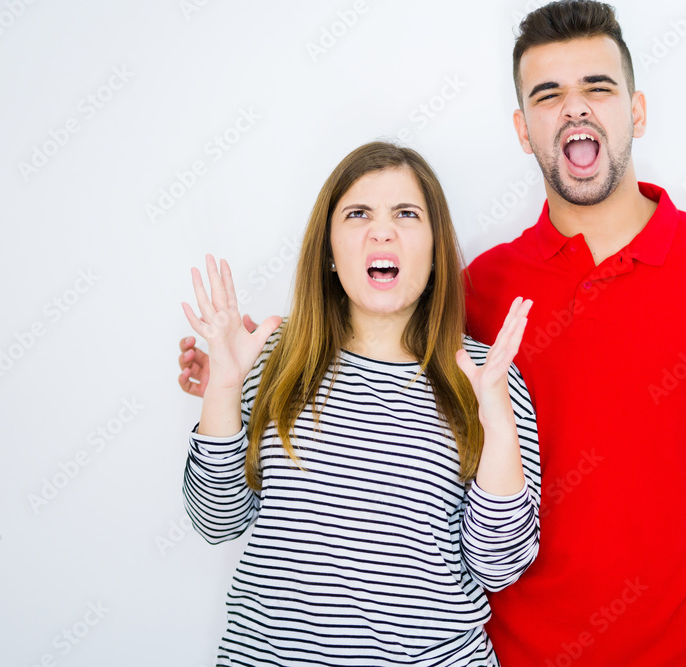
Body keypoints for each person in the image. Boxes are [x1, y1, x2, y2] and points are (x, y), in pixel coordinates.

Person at [179, 2, 686, 665]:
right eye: (548, 95)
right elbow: (376, 356)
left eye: (598, 87)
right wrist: (248, 372)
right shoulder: (479, 290)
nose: (575, 108)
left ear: (636, 111)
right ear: (523, 129)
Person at [180, 141, 540, 666]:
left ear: (436, 249)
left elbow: (499, 566)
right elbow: (216, 520)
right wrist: (225, 387)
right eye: (358, 213)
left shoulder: (487, 376)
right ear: (329, 249)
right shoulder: (273, 357)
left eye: (406, 214)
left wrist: (498, 424)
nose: (382, 231)